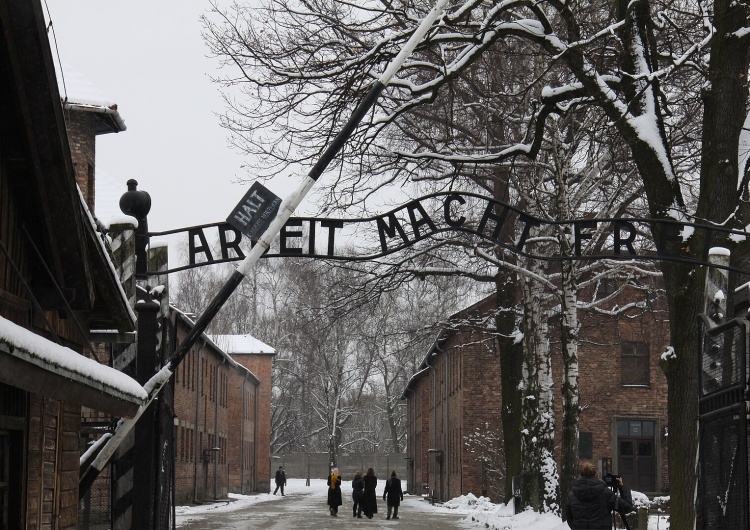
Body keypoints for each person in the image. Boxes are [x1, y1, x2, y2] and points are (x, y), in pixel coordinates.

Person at [566, 461, 633, 530]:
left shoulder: (572, 494)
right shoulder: (606, 493)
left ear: (581, 475)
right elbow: (627, 507)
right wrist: (622, 487)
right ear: (596, 474)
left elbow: (569, 517)